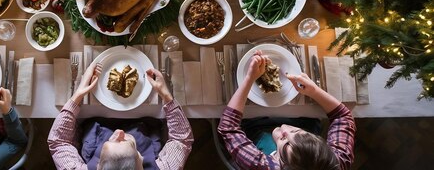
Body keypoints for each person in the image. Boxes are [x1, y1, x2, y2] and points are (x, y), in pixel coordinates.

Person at [219, 51, 356, 170]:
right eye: (297, 132)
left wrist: (249, 78)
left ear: (280, 165)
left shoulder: (262, 166)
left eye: (284, 140)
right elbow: (342, 117)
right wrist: (314, 91)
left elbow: (228, 127)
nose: (284, 129)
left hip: (255, 128)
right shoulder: (335, 162)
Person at [47, 60, 193, 169]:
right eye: (127, 142)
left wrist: (78, 93)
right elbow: (181, 140)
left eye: (112, 141)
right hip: (146, 125)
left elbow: (59, 142)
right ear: (140, 162)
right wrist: (166, 95)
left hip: (94, 125)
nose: (119, 132)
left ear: (98, 167)